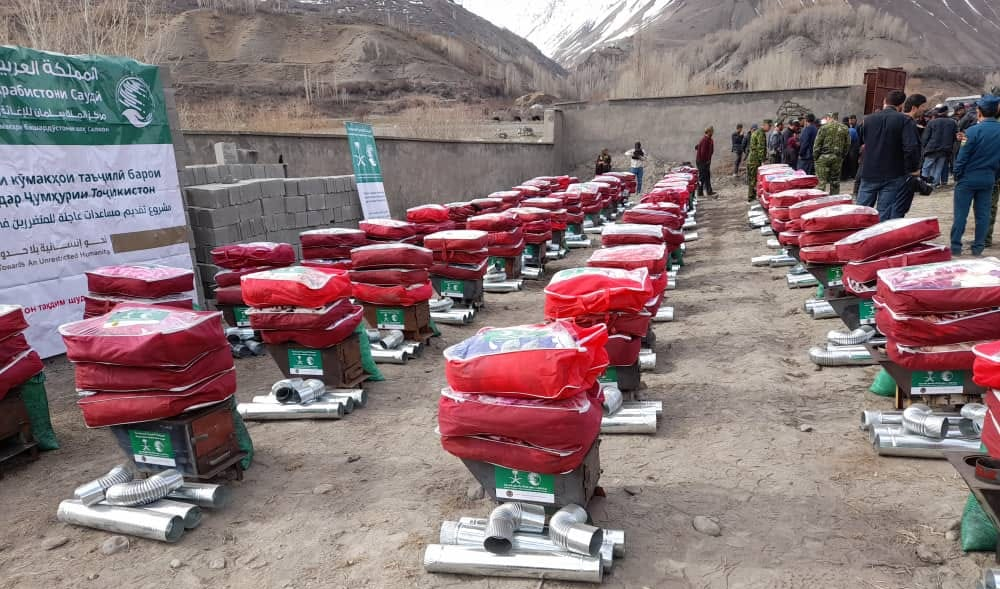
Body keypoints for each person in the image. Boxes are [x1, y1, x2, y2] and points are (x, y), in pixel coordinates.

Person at [856, 90, 921, 220]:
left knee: (861, 211)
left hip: (869, 171)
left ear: (885, 101)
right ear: (901, 105)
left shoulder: (868, 119)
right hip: (893, 172)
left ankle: (858, 232)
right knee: (884, 213)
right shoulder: (905, 120)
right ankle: (879, 232)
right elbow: (911, 147)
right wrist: (912, 168)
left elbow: (862, 141)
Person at [951, 95, 1000, 256]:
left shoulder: (972, 131)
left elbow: (962, 157)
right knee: (983, 215)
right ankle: (978, 247)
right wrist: (994, 175)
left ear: (979, 111)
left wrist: (957, 174)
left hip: (968, 178)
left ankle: (956, 246)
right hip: (988, 178)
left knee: (961, 214)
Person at [813, 112, 850, 194]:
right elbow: (847, 144)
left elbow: (817, 144)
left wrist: (816, 157)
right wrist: (842, 156)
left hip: (823, 158)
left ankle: (819, 199)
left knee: (821, 182)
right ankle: (834, 199)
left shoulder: (824, 128)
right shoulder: (844, 128)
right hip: (837, 158)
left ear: (828, 118)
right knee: (835, 182)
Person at [921, 105, 957, 188]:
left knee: (926, 167)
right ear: (946, 112)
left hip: (931, 149)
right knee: (938, 168)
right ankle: (934, 184)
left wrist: (924, 147)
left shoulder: (932, 122)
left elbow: (925, 137)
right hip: (945, 150)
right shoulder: (952, 122)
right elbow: (954, 136)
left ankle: (923, 184)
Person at [746, 120, 770, 202]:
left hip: (752, 159)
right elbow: (761, 148)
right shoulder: (760, 133)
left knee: (752, 178)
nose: (769, 128)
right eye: (769, 126)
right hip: (755, 160)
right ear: (765, 125)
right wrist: (762, 160)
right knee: (753, 179)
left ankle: (751, 196)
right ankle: (751, 198)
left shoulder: (757, 132)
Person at [695, 126, 716, 197]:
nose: (712, 133)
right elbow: (703, 152)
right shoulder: (705, 140)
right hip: (702, 161)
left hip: (706, 161)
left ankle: (709, 191)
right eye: (712, 131)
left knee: (707, 176)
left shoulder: (709, 139)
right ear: (708, 132)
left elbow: (700, 147)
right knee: (702, 177)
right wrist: (706, 161)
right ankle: (699, 192)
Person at [842, 116, 860, 180]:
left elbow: (848, 141)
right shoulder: (852, 130)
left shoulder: (851, 130)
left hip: (853, 147)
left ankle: (852, 175)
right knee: (852, 161)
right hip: (853, 147)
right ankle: (851, 175)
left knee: (852, 161)